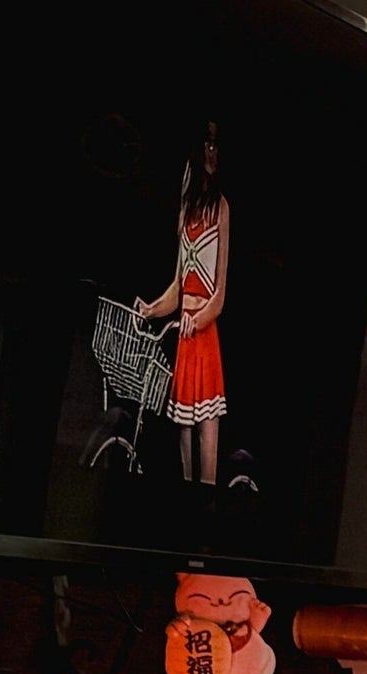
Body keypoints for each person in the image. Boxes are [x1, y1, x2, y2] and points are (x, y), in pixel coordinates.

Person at [133, 119, 231, 486]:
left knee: (207, 429)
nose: (212, 152)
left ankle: (207, 502)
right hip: (185, 335)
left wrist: (200, 317)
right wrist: (152, 308)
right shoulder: (185, 212)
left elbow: (219, 294)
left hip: (203, 334)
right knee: (183, 432)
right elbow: (178, 286)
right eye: (206, 144)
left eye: (216, 145)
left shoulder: (220, 208)